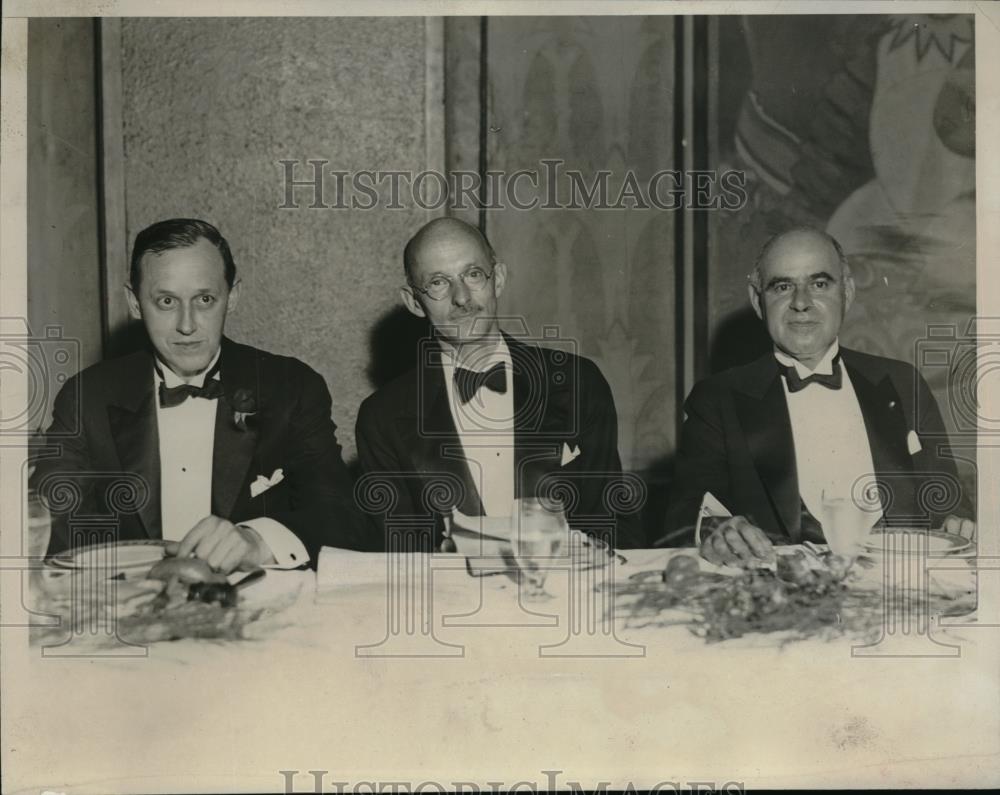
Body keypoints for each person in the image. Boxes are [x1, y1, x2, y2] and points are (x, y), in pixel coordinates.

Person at [31, 218, 363, 571]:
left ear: (232, 297)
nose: (187, 325)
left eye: (204, 299)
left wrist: (258, 540)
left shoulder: (291, 387)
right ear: (133, 302)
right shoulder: (87, 397)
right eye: (166, 301)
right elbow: (45, 519)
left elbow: (342, 516)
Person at [662, 227, 975, 565]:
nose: (801, 303)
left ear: (848, 293)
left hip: (898, 592)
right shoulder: (718, 399)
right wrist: (715, 531)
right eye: (783, 287)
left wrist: (955, 522)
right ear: (757, 301)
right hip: (787, 601)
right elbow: (687, 516)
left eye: (820, 284)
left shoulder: (902, 381)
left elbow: (948, 503)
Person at [355, 217, 642, 550]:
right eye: (438, 282)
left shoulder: (578, 383)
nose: (461, 297)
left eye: (473, 274)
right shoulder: (382, 418)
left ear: (499, 279)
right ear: (414, 302)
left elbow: (613, 525)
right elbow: (396, 559)